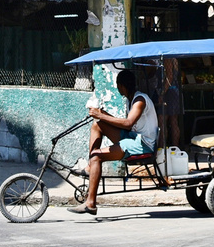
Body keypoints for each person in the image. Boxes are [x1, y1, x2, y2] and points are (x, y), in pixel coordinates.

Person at [68, 68, 158, 216]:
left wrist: (101, 115)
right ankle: (92, 166)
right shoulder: (131, 99)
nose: (117, 88)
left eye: (117, 85)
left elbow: (128, 123)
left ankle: (90, 203)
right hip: (133, 138)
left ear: (123, 86)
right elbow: (123, 124)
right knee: (98, 124)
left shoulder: (140, 100)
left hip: (143, 145)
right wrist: (102, 115)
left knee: (97, 155)